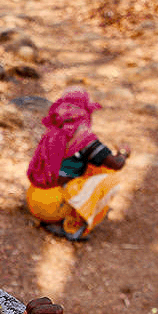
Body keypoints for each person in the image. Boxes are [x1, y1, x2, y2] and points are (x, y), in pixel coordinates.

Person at [25, 89, 128, 241]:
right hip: (52, 206)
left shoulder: (53, 129)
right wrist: (124, 153)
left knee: (91, 167)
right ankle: (72, 226)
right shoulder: (83, 138)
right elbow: (116, 164)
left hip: (34, 201)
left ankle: (54, 218)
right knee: (110, 179)